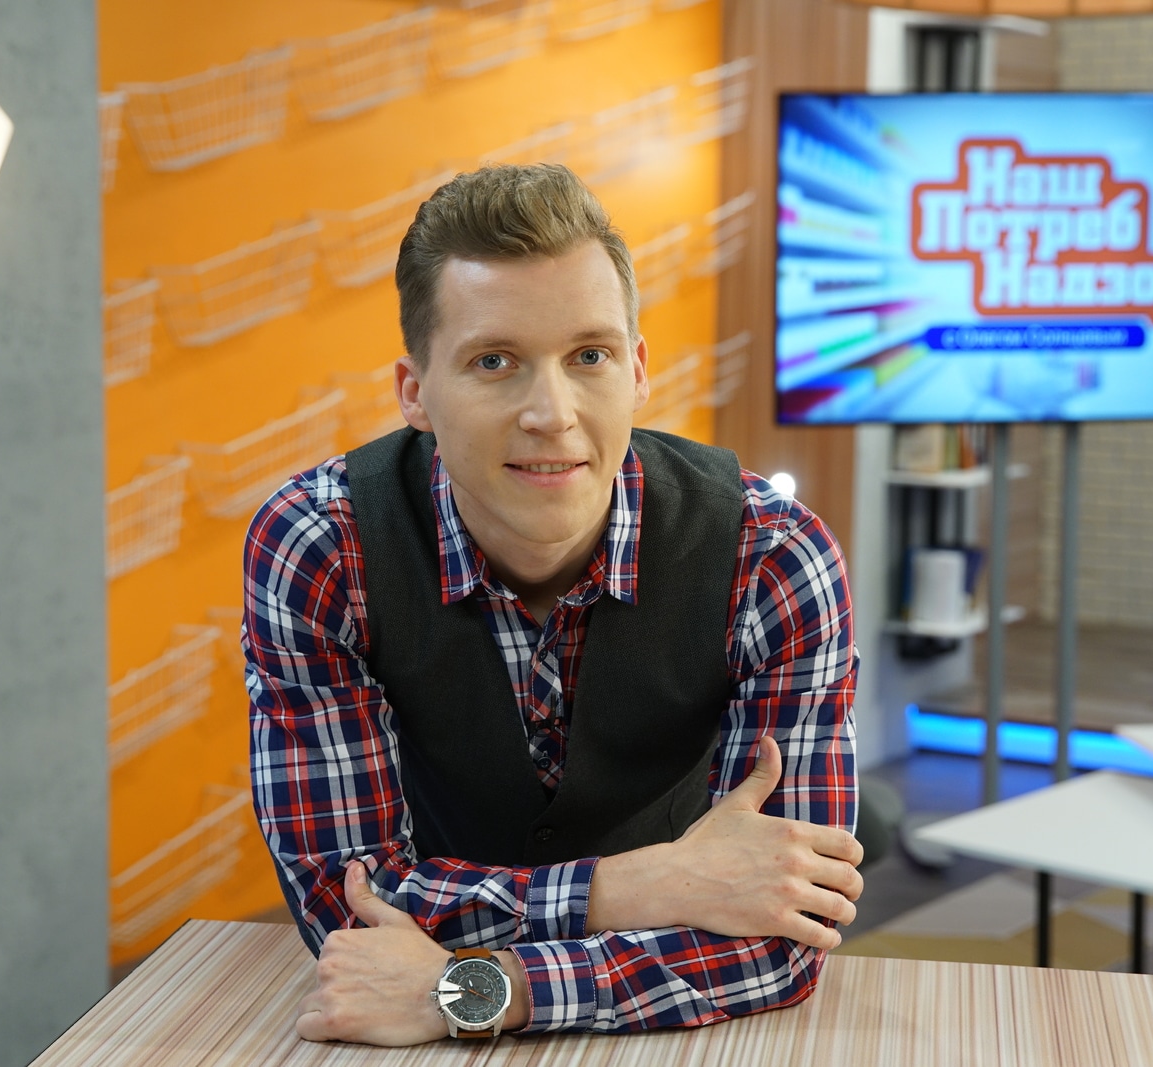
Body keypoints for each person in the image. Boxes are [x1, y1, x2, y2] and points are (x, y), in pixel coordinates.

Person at [242, 163, 860, 1046]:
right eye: (494, 362)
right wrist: (651, 884)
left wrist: (473, 989)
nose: (552, 412)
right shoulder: (319, 545)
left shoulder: (772, 556)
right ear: (415, 392)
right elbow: (349, 904)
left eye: (589, 356)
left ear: (637, 370)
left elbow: (783, 935)